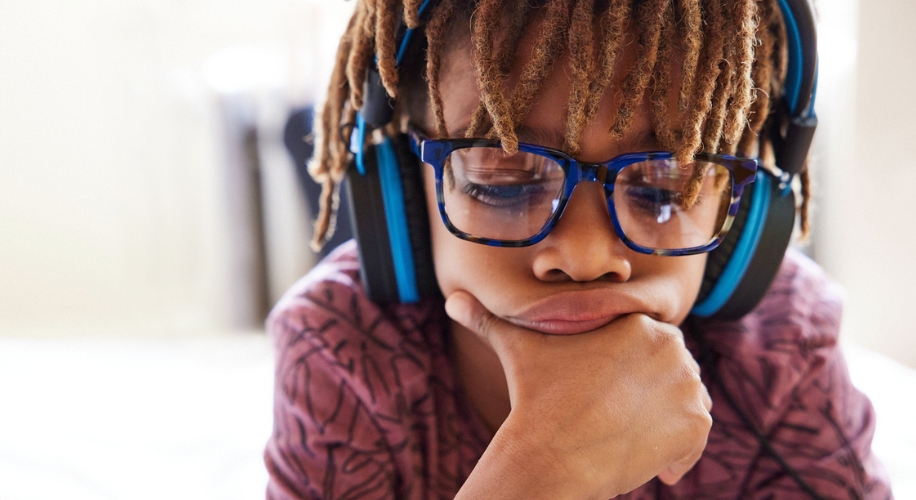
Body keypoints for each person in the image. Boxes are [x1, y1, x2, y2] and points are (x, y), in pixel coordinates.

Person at [264, 0, 893, 498]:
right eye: (502, 181)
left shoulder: (786, 341)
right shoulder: (339, 348)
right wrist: (535, 476)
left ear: (750, 210)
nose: (588, 257)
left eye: (666, 188)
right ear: (401, 185)